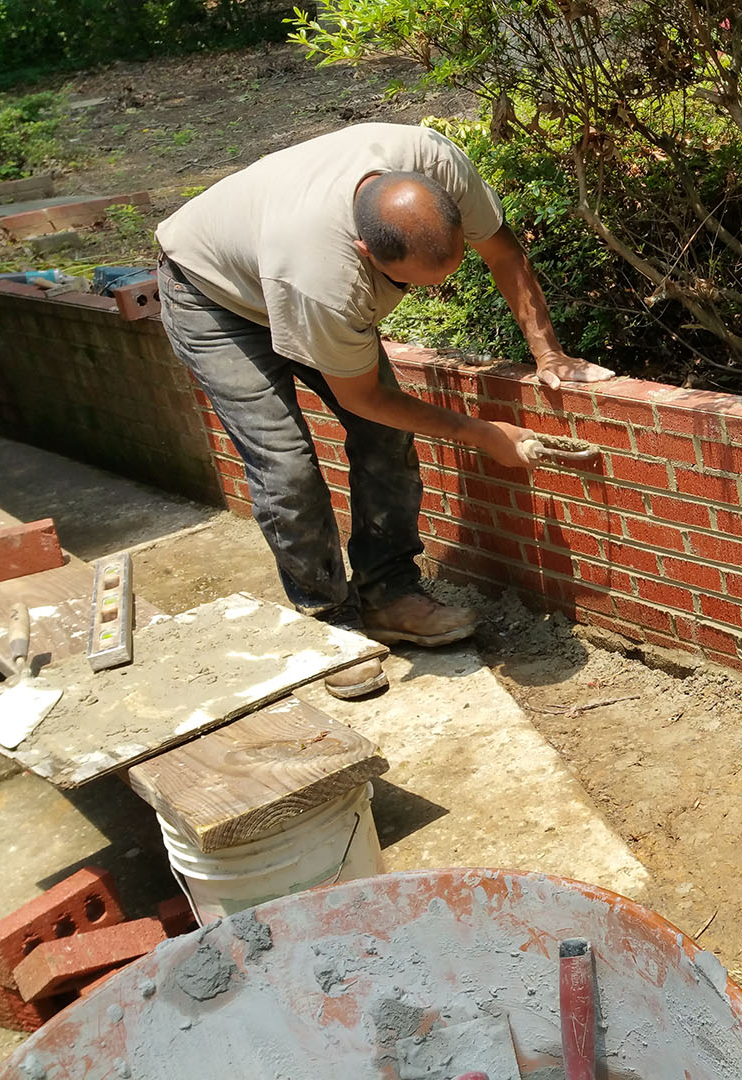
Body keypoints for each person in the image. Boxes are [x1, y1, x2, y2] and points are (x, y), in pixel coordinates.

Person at [154, 122, 615, 699]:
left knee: (386, 439)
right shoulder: (322, 279)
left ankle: (389, 593)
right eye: (408, 284)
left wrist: (549, 354)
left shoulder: (438, 163)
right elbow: (363, 398)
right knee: (285, 462)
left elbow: (502, 250)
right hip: (213, 295)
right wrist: (479, 432)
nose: (424, 295)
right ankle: (328, 623)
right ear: (366, 252)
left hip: (272, 254)